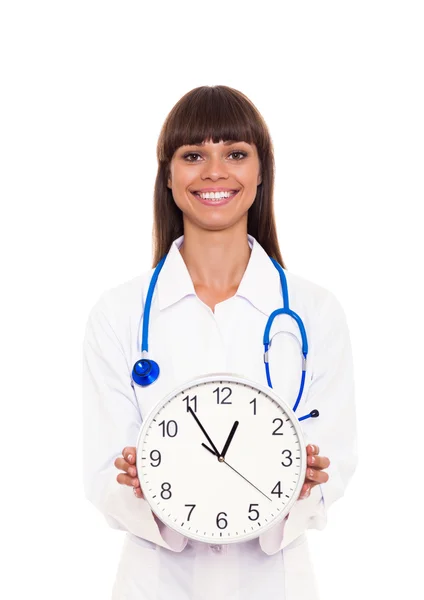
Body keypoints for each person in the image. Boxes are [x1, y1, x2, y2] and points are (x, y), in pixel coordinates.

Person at [82, 85, 357, 600]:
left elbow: (335, 457)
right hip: (157, 584)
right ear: (169, 175)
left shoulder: (314, 313)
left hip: (274, 584)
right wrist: (139, 483)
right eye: (193, 155)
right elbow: (102, 471)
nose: (214, 172)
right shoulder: (118, 315)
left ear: (260, 172)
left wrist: (307, 482)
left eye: (235, 153)